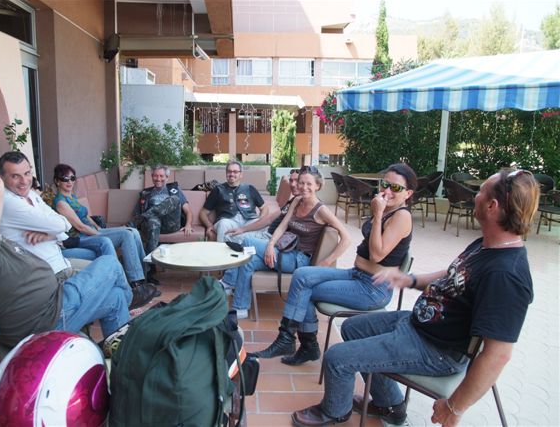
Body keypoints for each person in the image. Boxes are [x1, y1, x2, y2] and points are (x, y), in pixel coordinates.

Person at [290, 169, 539, 427]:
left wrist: (454, 407)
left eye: (480, 192)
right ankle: (390, 405)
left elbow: (498, 355)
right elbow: (453, 274)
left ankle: (334, 411)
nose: (475, 196)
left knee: (337, 358)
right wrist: (409, 279)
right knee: (353, 328)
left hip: (437, 351)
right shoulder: (485, 245)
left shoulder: (507, 275)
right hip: (418, 325)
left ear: (492, 206)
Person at [0, 161, 133, 346]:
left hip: (31, 316)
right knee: (110, 264)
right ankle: (131, 317)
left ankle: (119, 357)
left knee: (115, 299)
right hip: (47, 319)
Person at [255, 163, 417, 366]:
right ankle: (295, 342)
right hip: (357, 274)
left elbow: (377, 255)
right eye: (385, 184)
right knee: (302, 275)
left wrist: (376, 215)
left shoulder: (401, 216)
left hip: (373, 289)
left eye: (396, 188)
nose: (387, 191)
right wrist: (326, 262)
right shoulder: (387, 211)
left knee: (305, 289)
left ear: (408, 193)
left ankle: (298, 343)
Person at [0, 152, 153, 309]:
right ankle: (134, 289)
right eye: (15, 176)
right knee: (111, 243)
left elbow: (66, 223)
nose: (24, 181)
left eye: (27, 173)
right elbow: (69, 226)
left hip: (61, 256)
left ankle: (142, 279)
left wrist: (50, 233)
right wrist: (96, 233)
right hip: (65, 253)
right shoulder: (14, 202)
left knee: (131, 233)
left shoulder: (34, 196)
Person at [221, 166, 350, 319]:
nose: (304, 187)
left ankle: (228, 282)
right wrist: (270, 245)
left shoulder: (321, 210)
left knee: (247, 240)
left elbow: (347, 239)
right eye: (301, 183)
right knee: (248, 259)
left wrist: (326, 262)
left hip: (299, 259)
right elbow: (282, 225)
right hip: (285, 251)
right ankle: (240, 308)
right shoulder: (297, 201)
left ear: (318, 186)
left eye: (309, 184)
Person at [52, 163, 160, 300]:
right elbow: (80, 226)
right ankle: (136, 284)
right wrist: (99, 234)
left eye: (72, 178)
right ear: (57, 181)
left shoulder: (72, 197)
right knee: (126, 234)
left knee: (133, 231)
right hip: (82, 237)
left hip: (92, 231)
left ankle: (143, 277)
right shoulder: (61, 203)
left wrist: (98, 228)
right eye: (65, 178)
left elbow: (85, 216)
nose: (69, 182)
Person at [199, 160, 273, 243]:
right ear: (226, 173)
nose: (232, 174)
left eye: (235, 172)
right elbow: (203, 213)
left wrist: (260, 220)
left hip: (249, 220)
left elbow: (264, 208)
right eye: (229, 171)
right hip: (228, 221)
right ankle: (224, 249)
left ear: (241, 174)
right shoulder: (218, 190)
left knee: (265, 227)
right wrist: (209, 226)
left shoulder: (250, 188)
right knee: (223, 225)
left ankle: (244, 243)